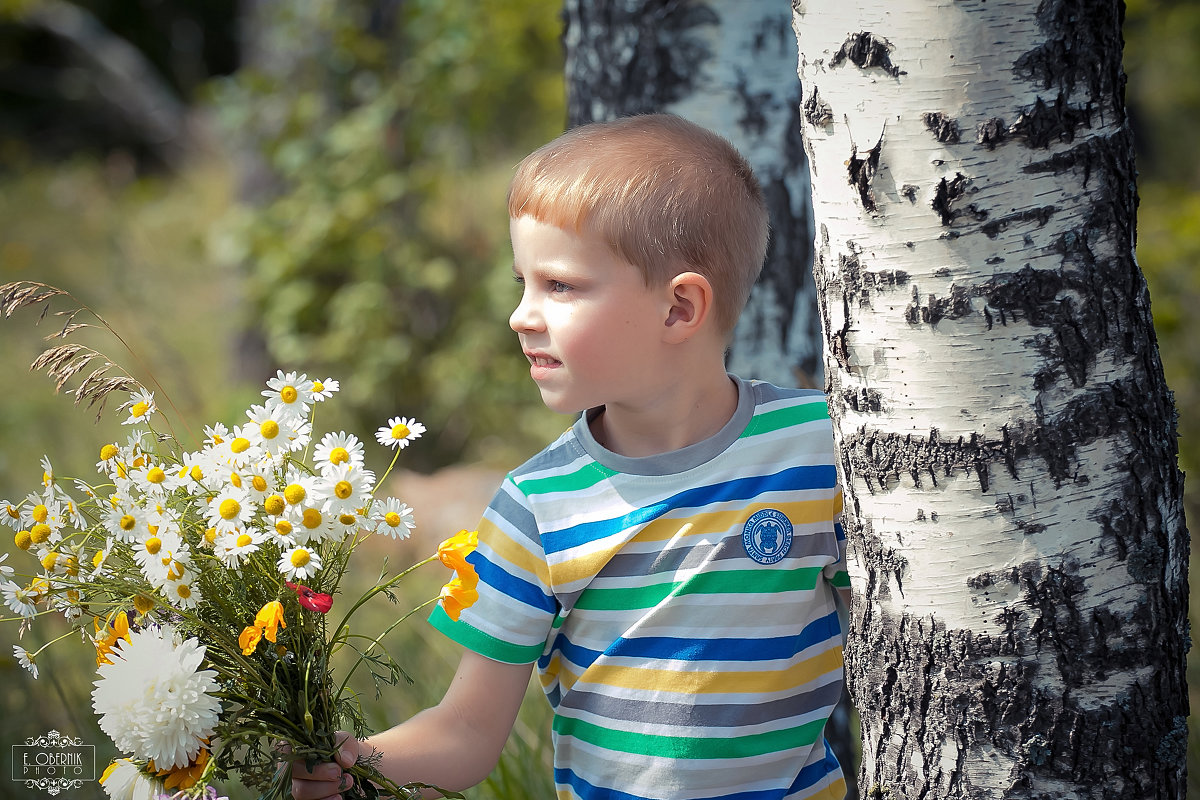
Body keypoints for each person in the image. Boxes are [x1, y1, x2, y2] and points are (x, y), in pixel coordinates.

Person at [290, 113, 851, 800]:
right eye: (522, 283)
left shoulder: (818, 450)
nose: (521, 315)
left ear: (679, 309)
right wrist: (355, 761)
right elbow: (466, 730)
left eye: (558, 286)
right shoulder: (538, 505)